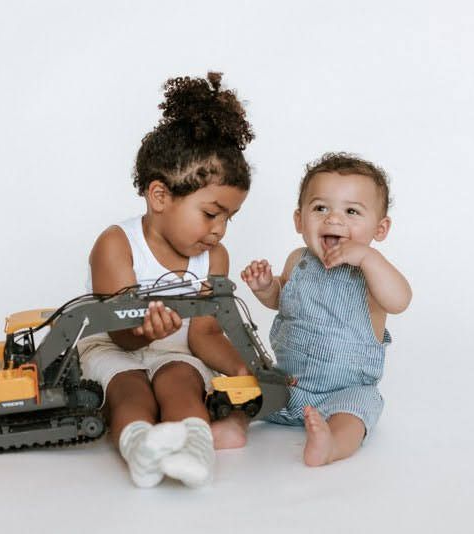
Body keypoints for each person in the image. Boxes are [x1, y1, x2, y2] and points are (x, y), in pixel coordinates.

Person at [77, 72, 253, 488]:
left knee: (182, 385)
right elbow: (119, 334)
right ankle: (140, 449)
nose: (219, 229)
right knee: (130, 390)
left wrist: (242, 367)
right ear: (160, 196)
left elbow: (204, 334)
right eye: (210, 213)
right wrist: (142, 333)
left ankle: (195, 452)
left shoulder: (214, 258)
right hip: (114, 345)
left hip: (175, 349)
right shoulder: (117, 245)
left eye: (228, 218)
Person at [239, 152, 412, 466]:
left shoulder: (372, 273)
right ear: (299, 220)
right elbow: (282, 299)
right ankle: (229, 428)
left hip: (345, 391)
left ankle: (332, 443)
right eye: (320, 208)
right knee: (242, 395)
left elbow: (400, 300)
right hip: (288, 384)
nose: (334, 219)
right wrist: (266, 288)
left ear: (380, 228)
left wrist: (368, 258)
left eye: (351, 211)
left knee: (357, 413)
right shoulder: (298, 260)